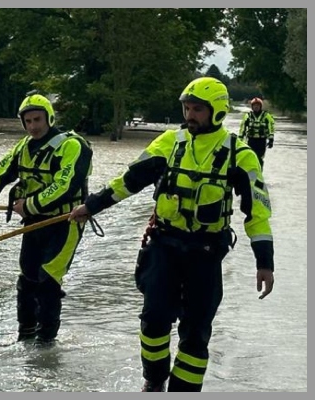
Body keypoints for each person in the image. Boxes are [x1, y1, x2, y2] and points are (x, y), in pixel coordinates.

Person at [69, 77, 275, 392]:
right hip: (164, 245)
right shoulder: (169, 142)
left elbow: (258, 213)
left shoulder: (240, 155)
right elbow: (129, 181)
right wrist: (91, 206)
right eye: (187, 108)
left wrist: (265, 262)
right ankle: (153, 381)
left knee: (196, 331)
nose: (190, 115)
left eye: (197, 110)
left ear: (217, 112)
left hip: (205, 253)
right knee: (153, 319)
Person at [0, 93, 94, 346]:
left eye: (38, 120)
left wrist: (29, 205)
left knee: (48, 278)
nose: (33, 126)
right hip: (34, 223)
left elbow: (65, 185)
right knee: (27, 278)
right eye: (28, 121)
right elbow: (2, 174)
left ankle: (46, 342)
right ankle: (25, 335)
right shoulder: (23, 147)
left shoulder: (73, 146)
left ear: (49, 118)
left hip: (65, 222)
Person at [238, 97, 276, 168]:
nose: (256, 107)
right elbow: (242, 128)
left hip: (261, 141)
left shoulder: (266, 116)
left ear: (260, 106)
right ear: (252, 107)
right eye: (254, 105)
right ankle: (250, 174)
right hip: (251, 140)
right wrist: (240, 140)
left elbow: (271, 127)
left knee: (259, 158)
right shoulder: (247, 116)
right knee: (250, 157)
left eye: (258, 105)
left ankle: (259, 173)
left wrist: (271, 139)